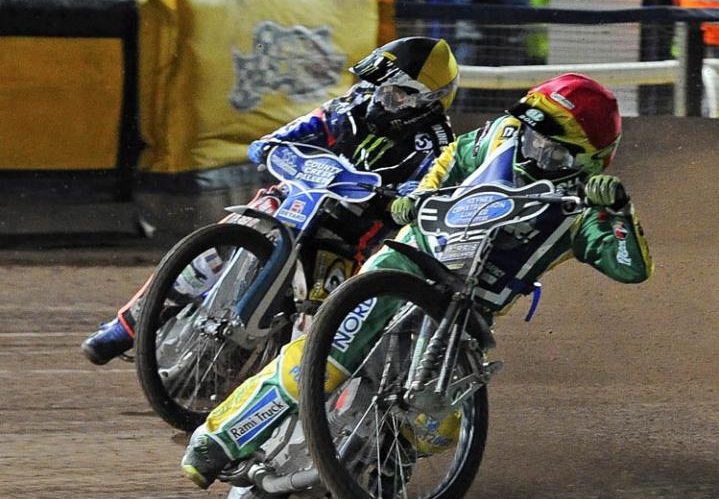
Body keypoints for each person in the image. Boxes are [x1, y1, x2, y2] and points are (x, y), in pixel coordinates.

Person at [179, 73, 653, 489]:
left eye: (553, 151)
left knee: (436, 428)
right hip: (412, 256)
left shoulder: (589, 212)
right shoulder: (500, 136)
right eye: (533, 139)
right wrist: (420, 196)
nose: (535, 150)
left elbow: (631, 267)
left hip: (468, 311)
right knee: (330, 353)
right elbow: (452, 157)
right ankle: (219, 438)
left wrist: (618, 210)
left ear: (591, 161)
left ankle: (393, 455)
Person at [80, 37, 460, 365]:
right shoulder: (352, 105)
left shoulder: (440, 143)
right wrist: (270, 145)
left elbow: (432, 187)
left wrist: (408, 199)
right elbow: (296, 131)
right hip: (293, 201)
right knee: (227, 237)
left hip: (350, 237)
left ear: (428, 100)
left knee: (322, 326)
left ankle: (293, 402)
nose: (382, 99)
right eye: (380, 89)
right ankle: (125, 326)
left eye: (396, 94)